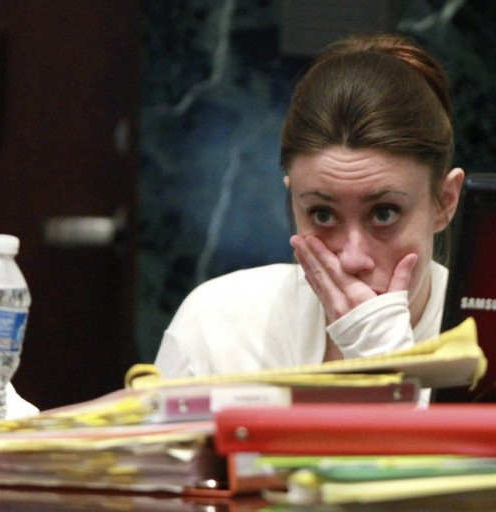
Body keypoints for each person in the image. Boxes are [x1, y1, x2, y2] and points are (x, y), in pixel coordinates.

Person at [155, 34, 465, 395]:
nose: (352, 258)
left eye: (384, 213)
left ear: (444, 202)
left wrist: (388, 361)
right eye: (322, 214)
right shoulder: (218, 326)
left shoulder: (494, 344)